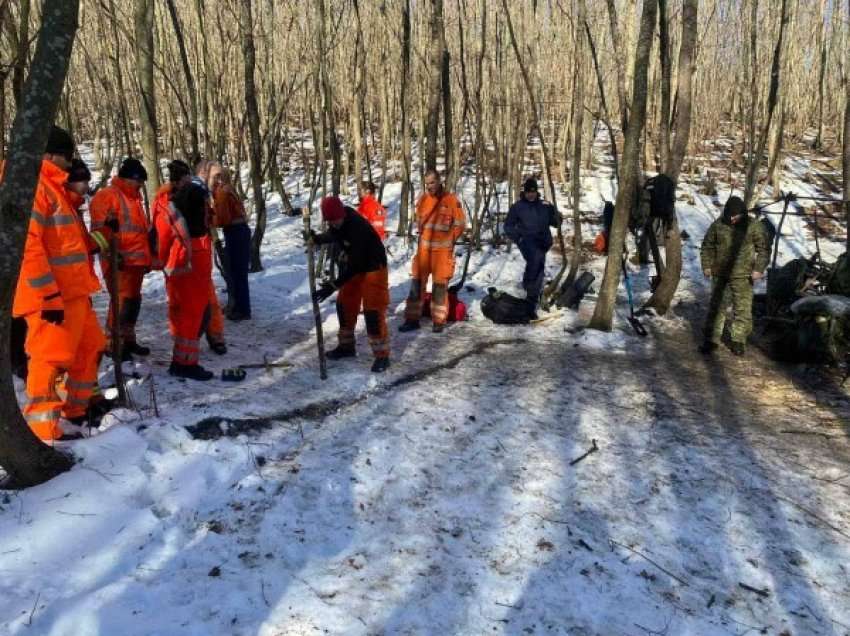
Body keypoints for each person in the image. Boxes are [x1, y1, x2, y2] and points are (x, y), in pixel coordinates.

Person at [13, 126, 107, 440]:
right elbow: (28, 248)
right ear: (50, 154)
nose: (70, 163)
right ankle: (44, 431)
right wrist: (48, 296)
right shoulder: (32, 187)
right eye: (67, 157)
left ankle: (76, 413)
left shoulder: (52, 187)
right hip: (52, 298)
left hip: (74, 292)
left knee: (91, 347)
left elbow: (68, 242)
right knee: (49, 360)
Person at [309, 196, 391, 373]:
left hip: (373, 269)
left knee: (372, 313)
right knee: (344, 305)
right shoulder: (339, 222)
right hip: (355, 267)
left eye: (335, 220)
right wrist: (317, 239)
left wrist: (334, 285)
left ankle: (382, 356)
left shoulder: (357, 227)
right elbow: (335, 234)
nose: (333, 223)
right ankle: (346, 347)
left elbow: (357, 265)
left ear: (342, 215)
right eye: (330, 221)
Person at [89, 157, 152, 359]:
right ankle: (114, 345)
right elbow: (99, 231)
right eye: (139, 181)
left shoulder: (134, 199)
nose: (141, 186)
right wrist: (112, 255)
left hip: (136, 263)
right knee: (121, 303)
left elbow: (139, 231)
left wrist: (147, 258)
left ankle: (128, 340)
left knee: (133, 302)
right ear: (129, 178)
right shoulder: (107, 196)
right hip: (119, 261)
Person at [155, 181, 215, 381]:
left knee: (190, 316)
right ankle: (185, 364)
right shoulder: (192, 224)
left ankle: (182, 361)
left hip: (190, 267)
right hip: (193, 267)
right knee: (192, 316)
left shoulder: (179, 216)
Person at [699, 195, 769, 356]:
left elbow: (764, 249)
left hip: (743, 276)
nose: (732, 219)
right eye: (730, 215)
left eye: (736, 216)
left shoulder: (753, 226)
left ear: (743, 213)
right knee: (717, 308)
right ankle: (711, 340)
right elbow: (707, 246)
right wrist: (706, 265)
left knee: (742, 310)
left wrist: (758, 269)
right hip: (720, 274)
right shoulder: (718, 225)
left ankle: (738, 340)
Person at [399, 169, 465, 333]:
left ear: (439, 181)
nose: (429, 186)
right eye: (426, 183)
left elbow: (460, 224)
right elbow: (420, 222)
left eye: (432, 183)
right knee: (416, 285)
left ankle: (438, 321)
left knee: (439, 288)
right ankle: (412, 319)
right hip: (424, 252)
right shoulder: (423, 200)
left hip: (442, 253)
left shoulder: (451, 200)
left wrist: (450, 240)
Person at [504, 177, 560, 314]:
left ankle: (531, 289)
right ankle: (531, 295)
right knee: (536, 259)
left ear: (537, 192)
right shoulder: (517, 207)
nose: (531, 194)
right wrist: (519, 238)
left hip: (544, 241)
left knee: (538, 264)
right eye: (528, 192)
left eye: (533, 191)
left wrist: (558, 217)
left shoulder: (545, 205)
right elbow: (508, 226)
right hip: (527, 241)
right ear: (524, 192)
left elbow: (555, 223)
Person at [193, 158, 228, 354]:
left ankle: (215, 336)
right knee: (193, 304)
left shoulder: (205, 194)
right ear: (204, 174)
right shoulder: (192, 194)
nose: (219, 182)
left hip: (202, 255)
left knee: (210, 299)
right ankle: (188, 347)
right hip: (190, 259)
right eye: (216, 176)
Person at [209, 164, 251, 320]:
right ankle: (238, 306)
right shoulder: (229, 190)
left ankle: (242, 310)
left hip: (235, 232)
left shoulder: (223, 193)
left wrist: (210, 219)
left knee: (237, 272)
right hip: (239, 231)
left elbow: (223, 219)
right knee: (237, 272)